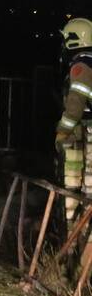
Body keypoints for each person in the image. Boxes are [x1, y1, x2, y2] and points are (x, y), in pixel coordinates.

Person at [54, 17, 92, 225]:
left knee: (84, 188)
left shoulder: (82, 65)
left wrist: (62, 131)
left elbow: (75, 105)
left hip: (87, 133)